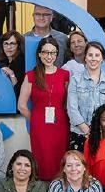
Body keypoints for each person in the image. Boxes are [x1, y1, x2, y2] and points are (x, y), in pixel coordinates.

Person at [16, 34, 71, 182]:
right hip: (40, 126)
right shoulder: (32, 76)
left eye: (53, 52)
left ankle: (59, 190)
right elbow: (21, 105)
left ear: (57, 54)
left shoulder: (65, 75)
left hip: (60, 124)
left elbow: (69, 102)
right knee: (42, 161)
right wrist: (34, 119)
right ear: (39, 54)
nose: (49, 56)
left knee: (59, 159)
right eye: (45, 52)